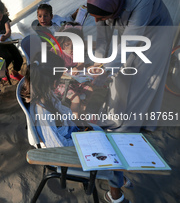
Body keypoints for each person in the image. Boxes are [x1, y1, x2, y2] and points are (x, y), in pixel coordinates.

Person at [21, 51, 131, 203]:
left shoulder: (45, 94)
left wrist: (79, 124)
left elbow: (64, 115)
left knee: (106, 137)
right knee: (113, 157)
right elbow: (57, 147)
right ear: (53, 82)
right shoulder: (43, 111)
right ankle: (115, 194)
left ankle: (116, 180)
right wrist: (82, 140)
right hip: (66, 151)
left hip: (72, 136)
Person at [87, 0, 174, 132]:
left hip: (157, 34)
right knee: (120, 76)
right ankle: (113, 119)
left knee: (143, 79)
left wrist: (106, 69)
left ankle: (129, 126)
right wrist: (98, 64)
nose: (97, 20)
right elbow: (103, 39)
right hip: (131, 34)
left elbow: (130, 41)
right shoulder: (102, 3)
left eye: (100, 18)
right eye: (95, 17)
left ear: (114, 9)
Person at [51, 24, 93, 119]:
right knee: (76, 99)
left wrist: (77, 68)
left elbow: (81, 64)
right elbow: (51, 68)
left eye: (74, 46)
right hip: (59, 84)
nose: (71, 49)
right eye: (67, 45)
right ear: (61, 42)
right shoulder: (56, 51)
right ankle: (75, 120)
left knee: (90, 90)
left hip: (74, 81)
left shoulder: (78, 51)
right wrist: (62, 72)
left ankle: (82, 110)